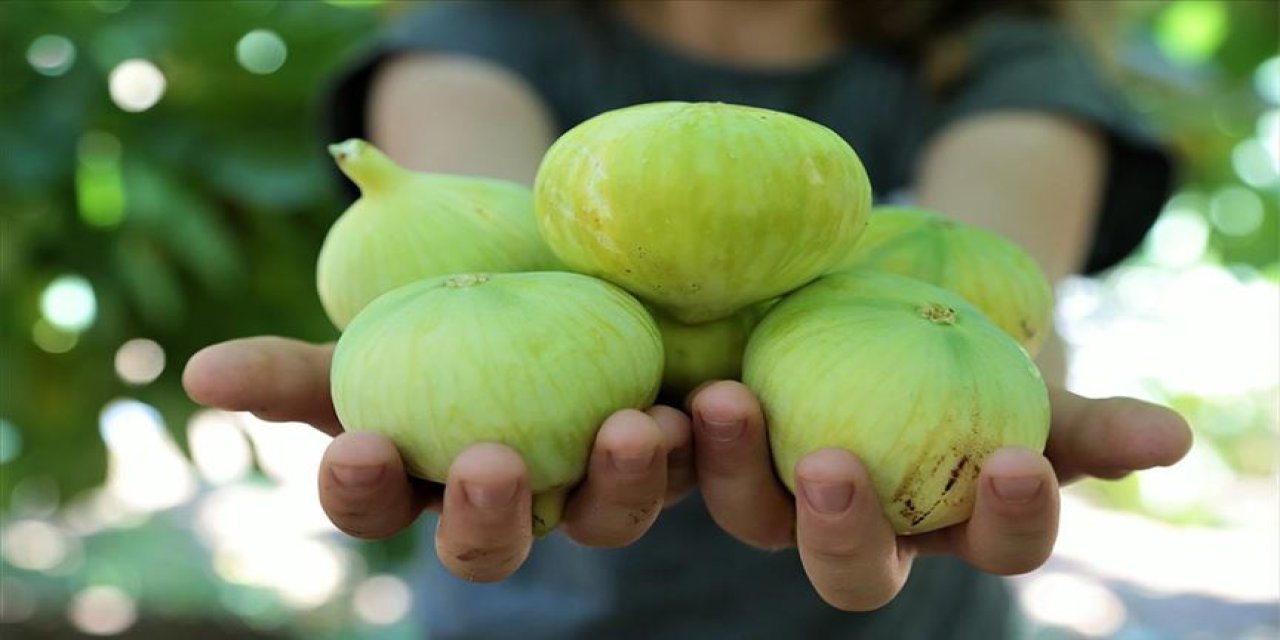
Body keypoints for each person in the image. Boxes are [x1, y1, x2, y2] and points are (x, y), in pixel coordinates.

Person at [183, 1, 1194, 637]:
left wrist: (1006, 386)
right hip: (526, 614)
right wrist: (449, 377)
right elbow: (491, 247)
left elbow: (980, 280)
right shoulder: (486, 30)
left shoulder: (1001, 49)